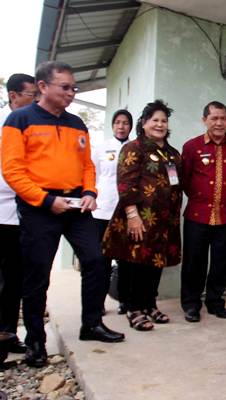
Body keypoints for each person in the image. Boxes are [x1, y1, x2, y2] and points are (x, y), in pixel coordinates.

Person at [1, 61, 125, 368]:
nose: (71, 93)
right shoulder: (19, 119)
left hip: (75, 205)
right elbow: (12, 170)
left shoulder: (77, 124)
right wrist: (45, 200)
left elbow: (87, 166)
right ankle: (35, 342)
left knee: (95, 260)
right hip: (38, 207)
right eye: (65, 87)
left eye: (74, 88)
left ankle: (91, 324)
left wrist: (89, 193)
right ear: (43, 87)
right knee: (37, 274)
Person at [102, 100, 183, 332]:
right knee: (135, 262)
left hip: (165, 220)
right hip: (139, 216)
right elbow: (126, 184)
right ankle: (132, 307)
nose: (159, 124)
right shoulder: (133, 148)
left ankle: (149, 304)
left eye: (163, 121)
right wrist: (132, 215)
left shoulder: (171, 153)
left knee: (156, 263)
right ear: (144, 123)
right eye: (154, 120)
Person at [180, 101, 226, 322]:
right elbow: (185, 179)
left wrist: (224, 198)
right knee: (194, 263)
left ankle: (215, 302)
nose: (219, 123)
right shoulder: (191, 147)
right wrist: (202, 199)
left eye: (223, 118)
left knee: (222, 261)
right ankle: (191, 304)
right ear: (205, 120)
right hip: (197, 215)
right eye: (214, 118)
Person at [0, 73, 36, 354]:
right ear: (14, 96)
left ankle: (9, 334)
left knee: (15, 280)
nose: (36, 101)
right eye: (31, 96)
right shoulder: (5, 127)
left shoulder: (31, 126)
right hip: (3, 216)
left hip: (23, 216)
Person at [91, 109, 133, 314]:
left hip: (126, 212)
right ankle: (98, 303)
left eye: (125, 123)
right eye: (117, 122)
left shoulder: (135, 148)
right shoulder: (101, 148)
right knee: (102, 260)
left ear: (131, 126)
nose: (121, 126)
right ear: (112, 125)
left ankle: (124, 300)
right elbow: (94, 175)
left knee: (125, 259)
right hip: (103, 211)